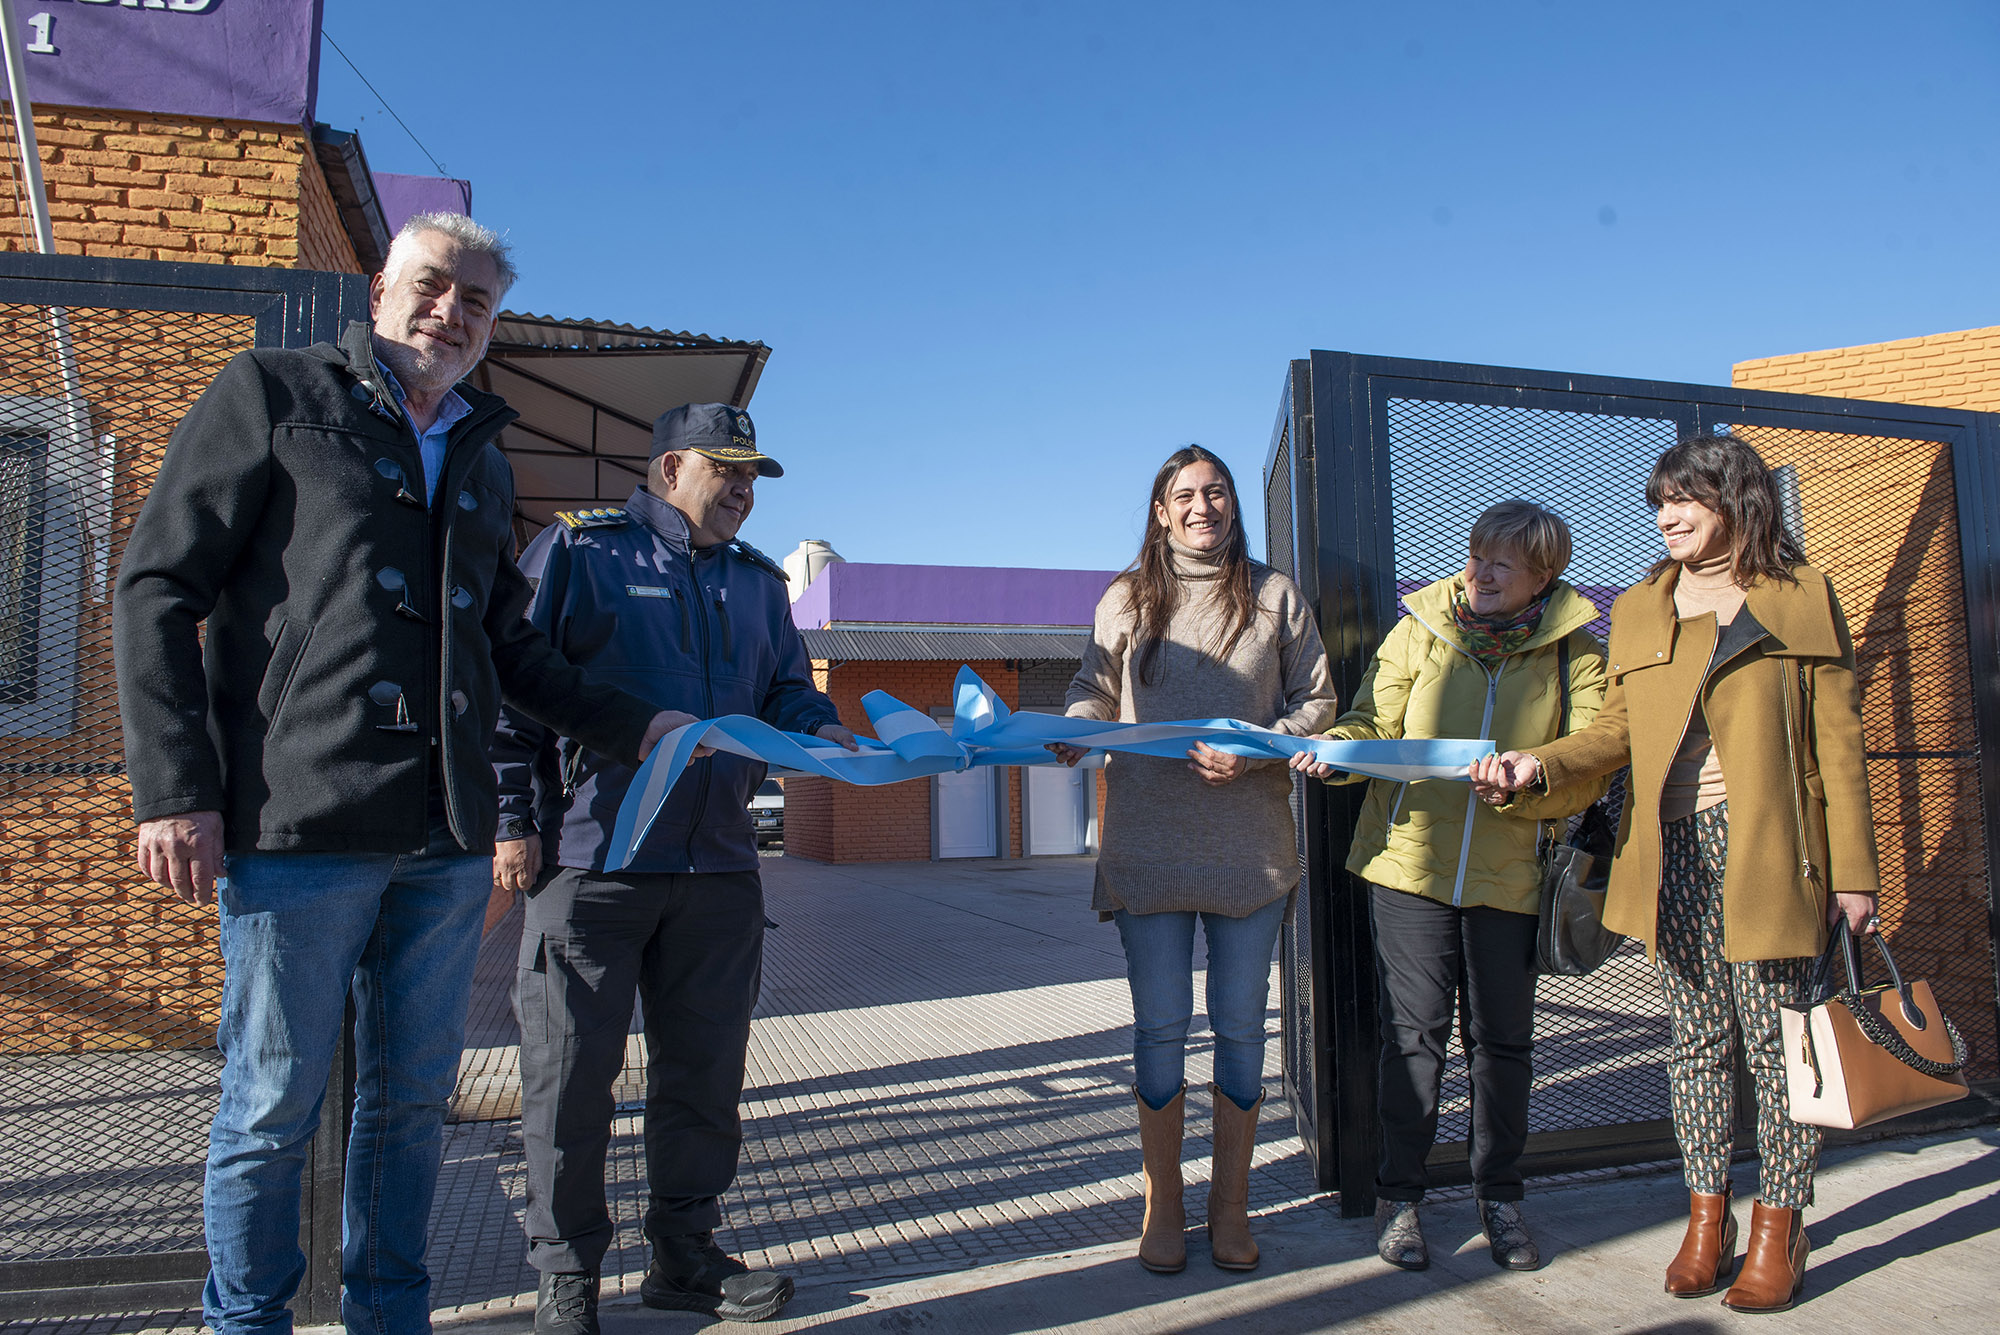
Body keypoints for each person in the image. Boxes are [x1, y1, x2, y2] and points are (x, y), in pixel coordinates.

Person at [113, 213, 681, 1334]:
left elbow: (506, 650)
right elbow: (155, 589)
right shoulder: (272, 392)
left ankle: (390, 1317)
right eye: (432, 287)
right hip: (295, 827)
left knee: (410, 1105)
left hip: (445, 839)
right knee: (271, 1107)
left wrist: (642, 723)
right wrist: (176, 788)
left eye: (476, 303)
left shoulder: (481, 454)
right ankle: (247, 1323)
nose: (450, 313)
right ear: (379, 291)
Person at [1472, 433, 1880, 1313]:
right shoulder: (1644, 607)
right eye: (1660, 500)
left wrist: (1856, 876)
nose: (1667, 514)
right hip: (1673, 850)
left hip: (1775, 848)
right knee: (1697, 1041)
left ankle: (1779, 1221)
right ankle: (1707, 1219)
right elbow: (1614, 731)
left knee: (1778, 1051)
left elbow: (1840, 747)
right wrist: (1535, 764)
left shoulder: (1800, 595)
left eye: (1686, 497)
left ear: (1738, 498)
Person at [490, 402, 856, 1332]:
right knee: (569, 1079)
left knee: (704, 1077)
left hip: (719, 868)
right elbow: (514, 687)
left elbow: (782, 688)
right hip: (592, 862)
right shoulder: (581, 552)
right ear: (667, 470)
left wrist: (825, 733)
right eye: (726, 471)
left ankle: (683, 1257)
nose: (742, 490)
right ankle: (566, 1280)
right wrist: (512, 820)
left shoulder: (756, 584)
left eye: (753, 476)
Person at [1288, 501, 1608, 1273]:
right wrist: (1341, 749)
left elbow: (1591, 755)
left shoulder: (1576, 653)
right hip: (1408, 866)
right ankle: (1402, 1198)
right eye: (1475, 555)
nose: (1481, 571)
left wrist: (1531, 779)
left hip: (1514, 877)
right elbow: (1372, 721)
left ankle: (1500, 1196)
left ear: (1543, 574)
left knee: (1502, 1045)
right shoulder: (1418, 629)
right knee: (1414, 1035)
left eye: (1502, 561)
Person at [1052, 445, 1337, 1276]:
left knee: (1242, 1027)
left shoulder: (1276, 595)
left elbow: (1317, 701)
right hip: (1148, 846)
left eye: (1215, 491)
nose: (1202, 506)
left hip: (1249, 850)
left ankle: (1231, 1204)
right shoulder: (1125, 596)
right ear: (1160, 508)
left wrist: (1259, 751)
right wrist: (1076, 724)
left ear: (1232, 503)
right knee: (1161, 1027)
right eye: (1185, 494)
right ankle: (1164, 1199)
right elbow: (1093, 686)